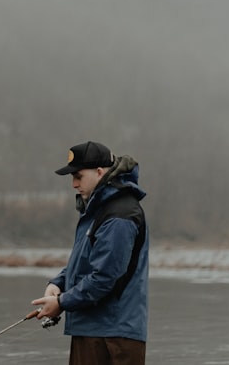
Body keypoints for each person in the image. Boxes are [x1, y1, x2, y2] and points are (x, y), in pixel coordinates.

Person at [31, 140, 148, 365]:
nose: (74, 184)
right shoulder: (96, 211)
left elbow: (104, 278)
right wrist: (59, 284)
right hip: (91, 329)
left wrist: (62, 303)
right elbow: (84, 262)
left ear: (99, 172)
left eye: (78, 176)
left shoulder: (120, 215)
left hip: (115, 335)